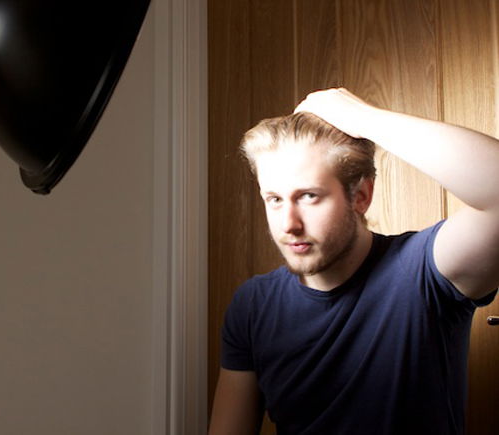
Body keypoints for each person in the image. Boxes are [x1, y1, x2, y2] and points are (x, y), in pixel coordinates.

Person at [209, 88, 499, 435]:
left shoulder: (424, 271)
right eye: (274, 199)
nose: (288, 224)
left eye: (309, 196)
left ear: (360, 196)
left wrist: (364, 118)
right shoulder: (253, 305)